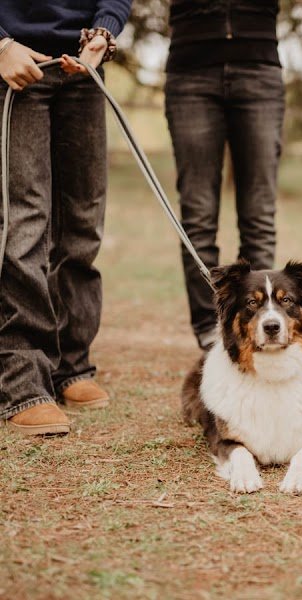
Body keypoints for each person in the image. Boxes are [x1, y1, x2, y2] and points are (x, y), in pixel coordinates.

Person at [0, 1, 132, 435]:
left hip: (82, 67)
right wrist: (1, 44)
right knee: (25, 224)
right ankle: (23, 383)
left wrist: (104, 30)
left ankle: (71, 364)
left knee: (83, 221)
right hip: (16, 64)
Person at [165, 0, 285, 351]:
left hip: (259, 67)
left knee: (259, 215)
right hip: (190, 70)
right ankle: (211, 328)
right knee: (198, 215)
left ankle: (261, 321)